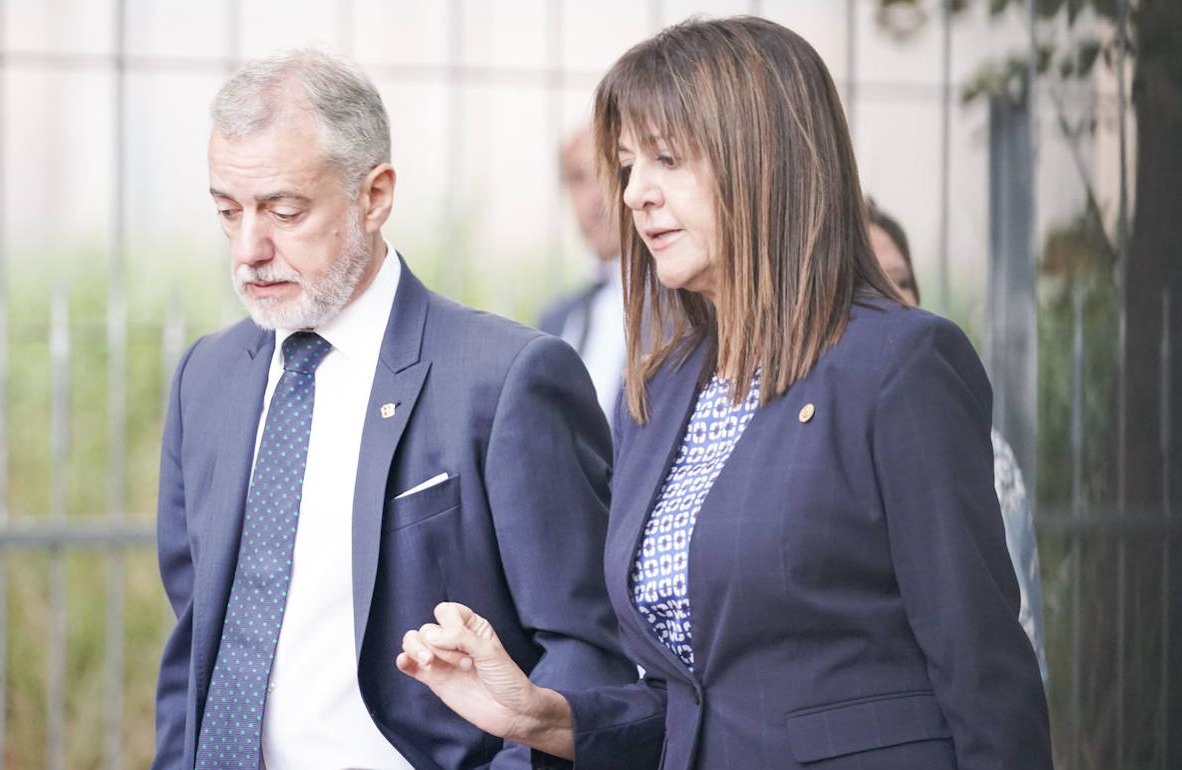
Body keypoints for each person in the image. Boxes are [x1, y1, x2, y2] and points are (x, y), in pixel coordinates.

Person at [396, 17, 1053, 770]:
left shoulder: (900, 365)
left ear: (765, 162)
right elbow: (692, 705)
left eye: (667, 159)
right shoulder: (661, 388)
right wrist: (544, 715)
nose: (636, 194)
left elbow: (985, 677)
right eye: (626, 165)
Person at [151, 50, 638, 770]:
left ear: (374, 195)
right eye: (229, 211)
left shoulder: (505, 379)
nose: (250, 249)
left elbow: (587, 652)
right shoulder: (207, 379)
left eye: (284, 210)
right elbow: (197, 641)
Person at [865, 197, 1049, 681]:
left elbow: (1013, 635)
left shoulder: (978, 448)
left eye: (902, 281)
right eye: (869, 280)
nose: (893, 297)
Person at [538, 127, 626, 420]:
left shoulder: (682, 312)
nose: (596, 197)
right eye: (579, 178)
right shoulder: (557, 319)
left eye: (609, 172)